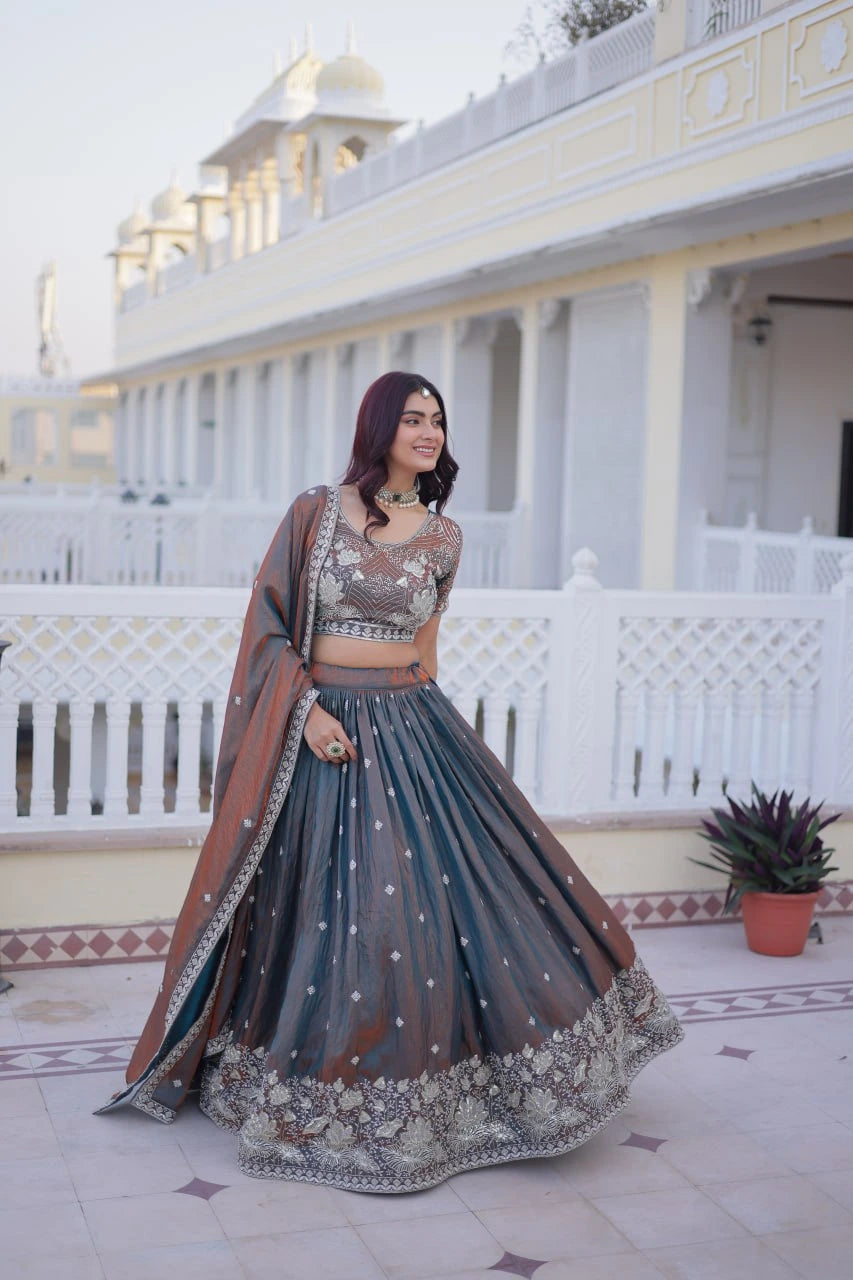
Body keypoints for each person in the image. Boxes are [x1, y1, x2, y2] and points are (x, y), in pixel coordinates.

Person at [96, 370, 683, 1193]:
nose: (429, 432)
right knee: (326, 914)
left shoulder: (443, 538)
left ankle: (447, 1094)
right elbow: (266, 629)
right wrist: (306, 714)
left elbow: (428, 649)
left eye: (438, 420)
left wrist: (436, 740)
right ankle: (315, 1090)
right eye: (413, 418)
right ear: (379, 427)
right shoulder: (314, 511)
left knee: (440, 902)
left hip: (413, 723)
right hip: (323, 725)